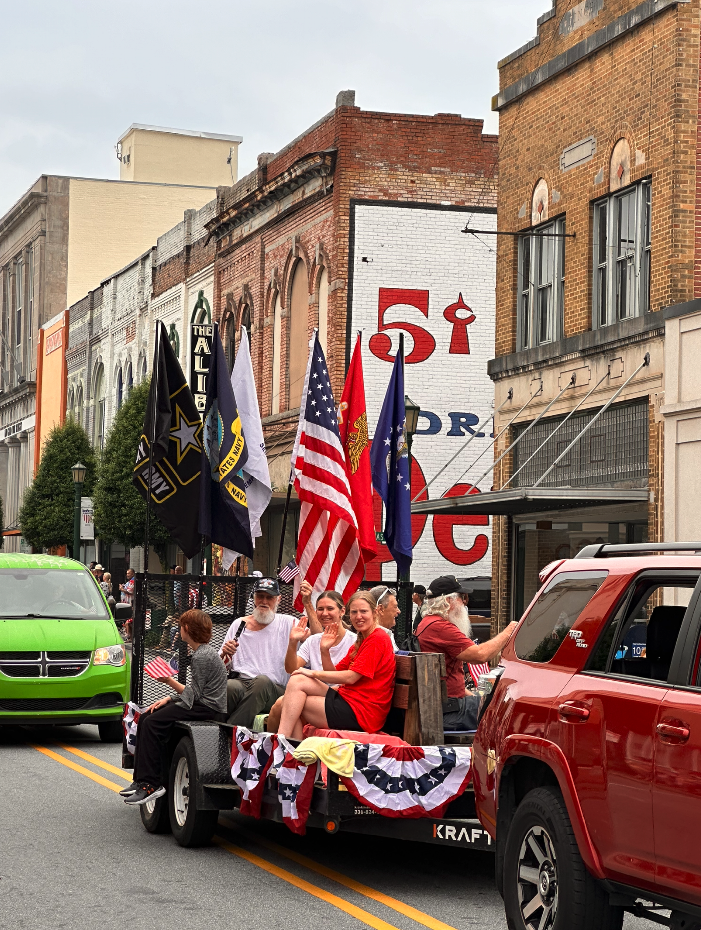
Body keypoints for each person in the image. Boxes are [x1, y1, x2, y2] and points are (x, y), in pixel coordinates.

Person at [121, 609, 227, 805]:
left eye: (180, 627)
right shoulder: (204, 652)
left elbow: (193, 696)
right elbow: (194, 692)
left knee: (152, 723)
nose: (179, 630)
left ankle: (152, 784)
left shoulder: (202, 657)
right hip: (202, 703)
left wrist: (169, 681)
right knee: (145, 717)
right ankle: (140, 781)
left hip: (207, 708)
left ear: (186, 628)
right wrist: (169, 698)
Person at [278, 591, 395, 740]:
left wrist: (313, 673)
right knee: (297, 684)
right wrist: (324, 650)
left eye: (363, 611)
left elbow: (351, 677)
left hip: (363, 713)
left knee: (293, 702)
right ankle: (287, 745)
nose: (358, 616)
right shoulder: (361, 640)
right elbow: (334, 675)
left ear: (375, 612)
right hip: (348, 700)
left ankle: (282, 742)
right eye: (354, 612)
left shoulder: (378, 638)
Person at [416, 575, 518, 732]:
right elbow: (480, 655)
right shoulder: (441, 628)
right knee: (511, 707)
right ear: (448, 601)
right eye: (461, 597)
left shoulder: (427, 623)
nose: (464, 602)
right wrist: (510, 631)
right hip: (448, 711)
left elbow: (449, 680)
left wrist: (474, 698)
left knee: (492, 700)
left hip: (441, 705)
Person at [267, 591, 355, 731]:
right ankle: (280, 741)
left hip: (342, 697)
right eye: (320, 609)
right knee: (280, 705)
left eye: (330, 608)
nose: (324, 613)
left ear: (342, 611)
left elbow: (348, 679)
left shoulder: (354, 641)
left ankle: (281, 739)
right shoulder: (313, 640)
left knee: (288, 701)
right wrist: (293, 642)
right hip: (315, 692)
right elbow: (291, 668)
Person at [219, 577, 297, 727]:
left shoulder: (288, 622)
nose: (264, 601)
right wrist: (225, 653)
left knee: (261, 682)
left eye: (269, 597)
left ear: (278, 599)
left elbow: (316, 638)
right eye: (260, 596)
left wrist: (308, 604)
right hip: (243, 682)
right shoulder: (239, 624)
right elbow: (223, 665)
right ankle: (214, 727)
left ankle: (229, 732)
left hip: (275, 688)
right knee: (229, 687)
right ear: (253, 598)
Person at [369, 585, 400, 651]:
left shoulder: (386, 634)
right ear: (380, 609)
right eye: (395, 607)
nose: (398, 611)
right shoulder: (375, 639)